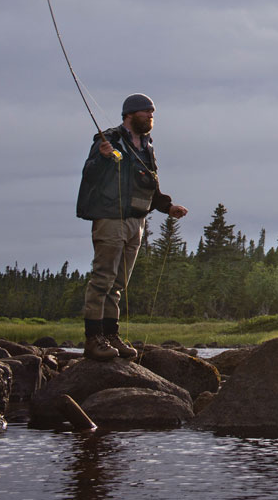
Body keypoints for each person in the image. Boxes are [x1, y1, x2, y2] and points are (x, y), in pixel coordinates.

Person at [76, 93, 187, 361]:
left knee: (118, 284)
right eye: (146, 112)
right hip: (110, 217)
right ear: (130, 114)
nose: (151, 117)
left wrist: (167, 207)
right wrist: (103, 158)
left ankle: (111, 335)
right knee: (102, 280)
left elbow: (151, 184)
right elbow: (89, 173)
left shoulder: (147, 146)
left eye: (152, 113)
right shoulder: (108, 139)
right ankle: (93, 340)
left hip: (136, 221)